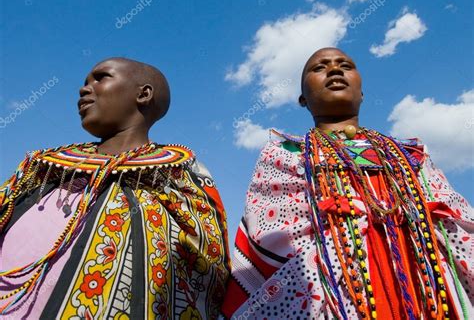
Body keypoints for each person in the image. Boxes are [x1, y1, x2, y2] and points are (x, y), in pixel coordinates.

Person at [222, 48, 473, 319]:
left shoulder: (410, 156)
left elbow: (456, 223)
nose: (334, 70)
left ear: (362, 92)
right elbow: (270, 236)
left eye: (345, 65)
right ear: (303, 99)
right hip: (337, 299)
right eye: (319, 67)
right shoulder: (284, 155)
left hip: (427, 291)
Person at [0, 57, 230, 319]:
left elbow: (208, 263)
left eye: (101, 78)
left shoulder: (178, 175)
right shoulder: (42, 167)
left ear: (143, 94)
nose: (84, 88)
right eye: (86, 81)